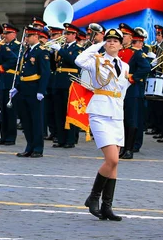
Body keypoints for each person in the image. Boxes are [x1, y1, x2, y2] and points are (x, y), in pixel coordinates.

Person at [75, 29, 130, 221]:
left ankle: (107, 206)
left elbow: (122, 91)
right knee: (112, 159)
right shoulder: (96, 60)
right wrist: (98, 44)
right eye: (109, 40)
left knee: (114, 164)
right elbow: (79, 61)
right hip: (99, 111)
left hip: (116, 114)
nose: (112, 43)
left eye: (116, 41)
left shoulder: (124, 66)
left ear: (121, 45)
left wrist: (120, 112)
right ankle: (93, 197)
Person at [11, 26, 50, 158]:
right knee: (26, 119)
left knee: (36, 120)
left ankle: (38, 148)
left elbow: (45, 73)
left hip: (34, 89)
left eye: (29, 36)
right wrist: (17, 86)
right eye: (26, 36)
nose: (26, 38)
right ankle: (29, 146)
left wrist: (41, 90)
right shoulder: (27, 51)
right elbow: (22, 70)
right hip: (24, 88)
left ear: (36, 37)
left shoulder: (41, 51)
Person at [50, 24, 83, 148]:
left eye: (69, 34)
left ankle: (70, 139)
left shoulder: (78, 48)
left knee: (70, 111)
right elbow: (54, 66)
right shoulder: (62, 48)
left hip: (70, 82)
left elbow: (74, 61)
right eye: (66, 33)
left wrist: (61, 50)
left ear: (75, 35)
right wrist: (52, 54)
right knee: (59, 111)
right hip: (59, 81)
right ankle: (61, 138)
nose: (66, 36)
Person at [120, 27, 151, 159]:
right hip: (120, 89)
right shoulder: (119, 51)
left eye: (125, 35)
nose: (123, 37)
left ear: (131, 37)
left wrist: (133, 78)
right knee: (121, 119)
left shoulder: (136, 53)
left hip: (132, 90)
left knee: (131, 119)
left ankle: (129, 149)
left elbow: (146, 67)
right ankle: (122, 147)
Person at [0, 23, 19, 145]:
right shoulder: (2, 45)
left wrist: (1, 67)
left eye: (7, 33)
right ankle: (3, 135)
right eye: (4, 33)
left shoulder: (18, 46)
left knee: (10, 110)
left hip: (10, 79)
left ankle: (10, 136)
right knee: (2, 109)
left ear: (14, 34)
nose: (4, 36)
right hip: (2, 79)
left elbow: (15, 60)